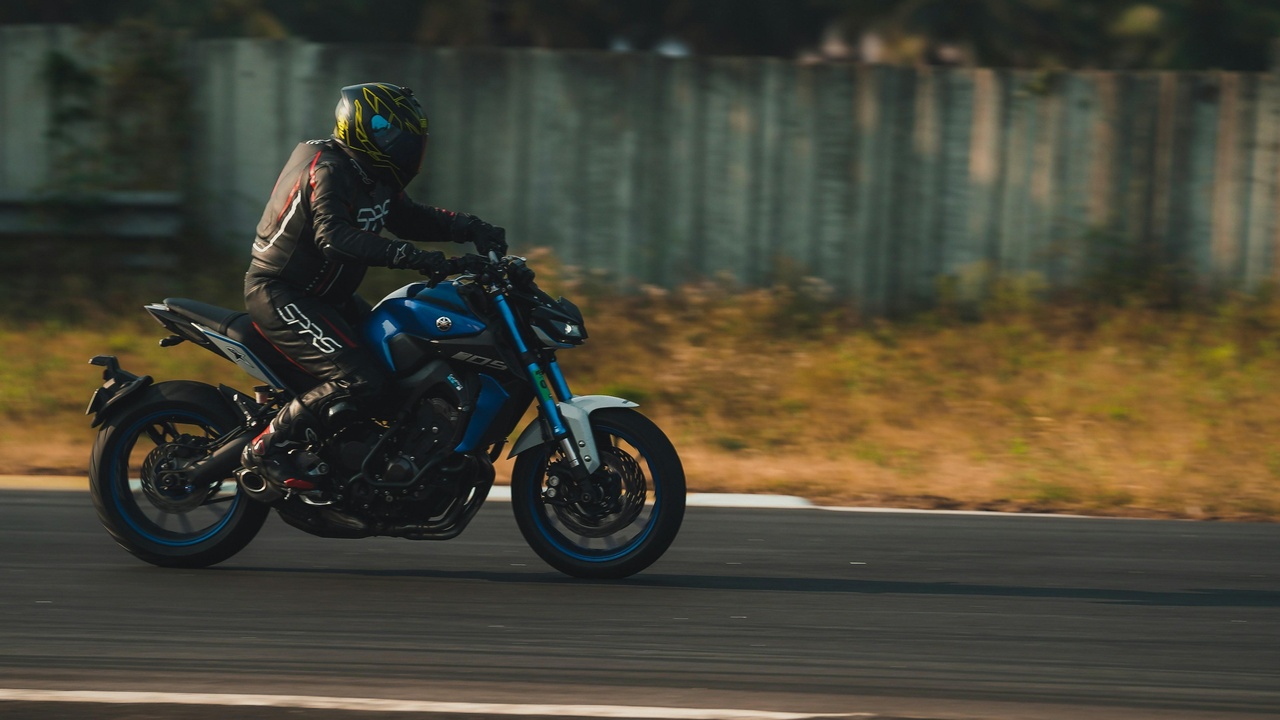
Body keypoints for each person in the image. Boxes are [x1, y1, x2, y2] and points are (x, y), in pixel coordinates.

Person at [241, 82, 506, 491]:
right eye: (396, 135)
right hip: (282, 293)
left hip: (330, 298)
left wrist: (470, 227)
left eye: (411, 138)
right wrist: (415, 257)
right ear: (365, 129)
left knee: (395, 373)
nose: (406, 146)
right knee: (361, 379)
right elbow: (334, 238)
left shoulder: (371, 174)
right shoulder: (329, 169)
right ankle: (265, 449)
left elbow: (408, 217)